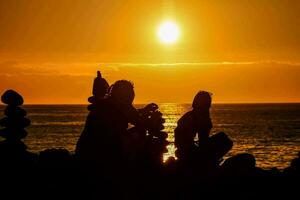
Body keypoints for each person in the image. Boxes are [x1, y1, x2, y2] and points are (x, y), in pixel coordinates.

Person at [76, 79, 158, 167]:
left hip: (87, 150)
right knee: (138, 133)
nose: (130, 96)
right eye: (128, 93)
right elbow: (135, 119)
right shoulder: (115, 106)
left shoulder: (109, 103)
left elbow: (131, 114)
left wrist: (144, 111)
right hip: (100, 152)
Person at [174, 91, 213, 160]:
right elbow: (203, 139)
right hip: (186, 150)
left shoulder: (190, 115)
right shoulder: (198, 117)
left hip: (183, 148)